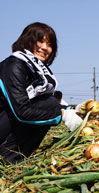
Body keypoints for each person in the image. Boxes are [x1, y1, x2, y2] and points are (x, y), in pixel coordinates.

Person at [0, 22, 83, 164]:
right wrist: (61, 114)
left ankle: (16, 158)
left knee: (49, 102)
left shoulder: (38, 71)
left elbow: (47, 103)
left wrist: (72, 110)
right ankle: (6, 158)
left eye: (49, 44)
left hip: (9, 126)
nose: (45, 48)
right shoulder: (14, 65)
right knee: (49, 103)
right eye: (40, 41)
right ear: (27, 41)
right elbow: (22, 110)